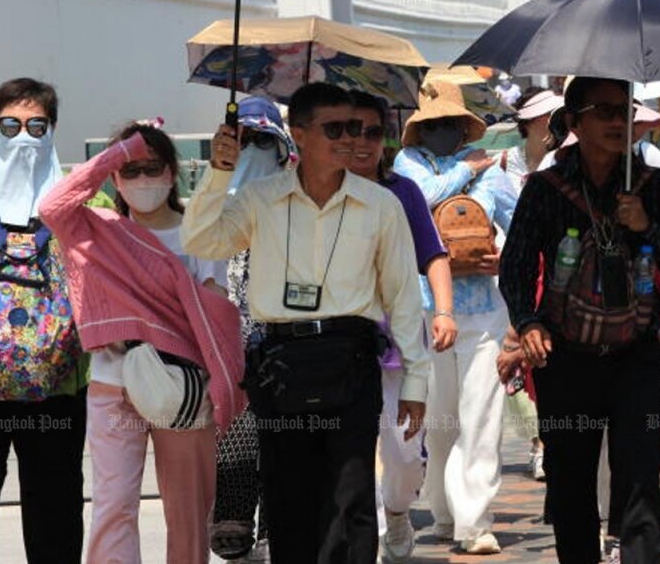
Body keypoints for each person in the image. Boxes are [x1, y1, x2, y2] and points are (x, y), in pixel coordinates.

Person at [182, 82, 428, 564]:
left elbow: (402, 296)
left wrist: (417, 379)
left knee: (351, 502)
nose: (350, 139)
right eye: (334, 128)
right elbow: (203, 241)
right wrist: (218, 172)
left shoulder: (382, 205)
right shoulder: (261, 199)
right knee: (289, 503)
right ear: (297, 133)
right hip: (281, 365)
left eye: (357, 128)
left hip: (352, 362)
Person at [499, 76, 660, 564]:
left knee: (638, 488)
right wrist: (528, 323)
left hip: (639, 358)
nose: (616, 122)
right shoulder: (545, 189)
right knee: (570, 486)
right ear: (573, 122)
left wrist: (644, 226)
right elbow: (516, 265)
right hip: (565, 358)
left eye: (624, 111)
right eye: (603, 111)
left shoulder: (654, 187)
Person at [39, 120, 244, 564]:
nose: (142, 179)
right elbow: (53, 206)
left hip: (183, 386)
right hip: (114, 385)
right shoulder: (96, 229)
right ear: (113, 178)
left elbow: (216, 311)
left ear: (172, 173)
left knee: (188, 513)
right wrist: (122, 149)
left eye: (152, 167)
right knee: (113, 507)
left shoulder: (200, 228)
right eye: (129, 171)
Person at [0, 79, 87, 564]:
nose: (23, 137)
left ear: (52, 131)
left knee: (54, 515)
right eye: (9, 126)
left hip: (57, 390)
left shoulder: (82, 211)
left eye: (36, 126)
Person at [392, 80, 518, 555]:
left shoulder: (493, 172)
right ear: (419, 129)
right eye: (433, 124)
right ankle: (444, 512)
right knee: (441, 419)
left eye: (449, 123)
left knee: (482, 418)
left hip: (485, 312)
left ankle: (474, 521)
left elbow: (522, 223)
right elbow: (419, 202)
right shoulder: (408, 168)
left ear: (465, 126)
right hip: (427, 310)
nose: (442, 131)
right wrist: (465, 170)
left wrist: (504, 258)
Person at [348, 90, 457, 563]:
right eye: (348, 129)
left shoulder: (403, 192)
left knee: (406, 454)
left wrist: (445, 311)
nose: (362, 141)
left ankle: (396, 510)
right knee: (346, 455)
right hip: (338, 344)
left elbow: (432, 255)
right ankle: (359, 538)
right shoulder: (315, 192)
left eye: (373, 131)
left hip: (400, 341)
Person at [210, 95, 297, 562]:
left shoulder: (298, 204)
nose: (254, 151)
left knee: (283, 443)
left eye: (265, 141)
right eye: (244, 141)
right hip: (228, 346)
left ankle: (274, 528)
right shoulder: (207, 207)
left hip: (286, 346)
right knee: (236, 437)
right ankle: (235, 523)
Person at [499, 86, 565, 482]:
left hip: (555, 288)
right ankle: (541, 442)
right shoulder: (504, 166)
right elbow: (519, 246)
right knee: (530, 376)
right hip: (522, 285)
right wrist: (520, 320)